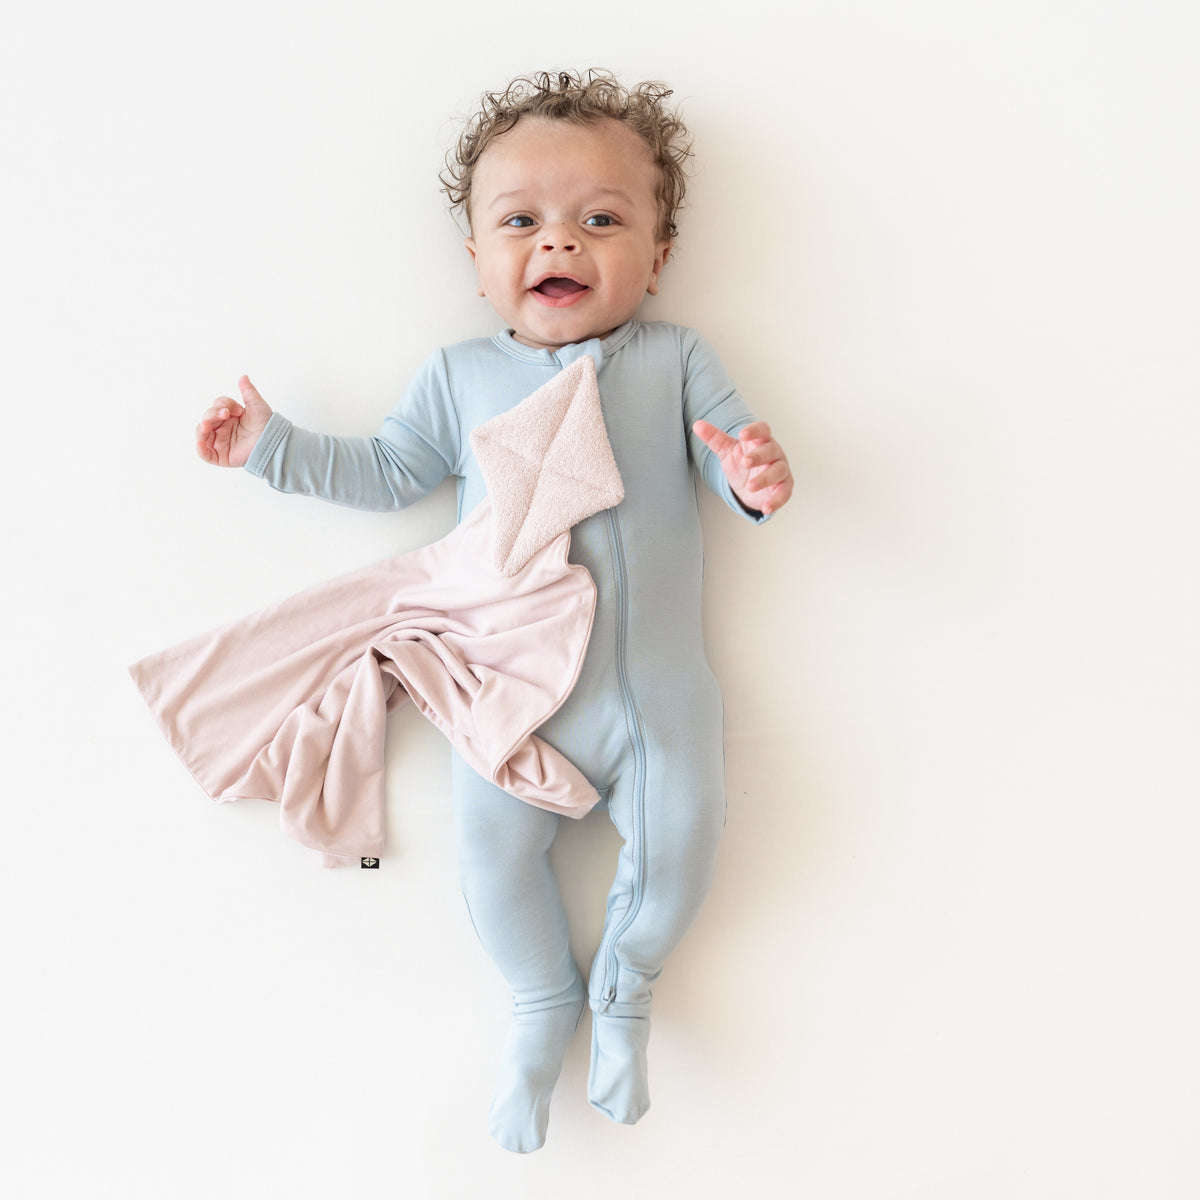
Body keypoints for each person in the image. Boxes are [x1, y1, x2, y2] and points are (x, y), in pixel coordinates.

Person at [194, 69, 792, 1153]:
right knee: (492, 861)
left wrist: (751, 474)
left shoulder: (673, 359)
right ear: (476, 261)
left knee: (683, 843)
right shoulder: (460, 375)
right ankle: (540, 1002)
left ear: (657, 258)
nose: (559, 241)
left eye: (601, 221)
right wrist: (272, 448)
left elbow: (725, 454)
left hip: (656, 697)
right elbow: (388, 471)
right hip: (506, 694)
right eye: (522, 223)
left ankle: (625, 992)